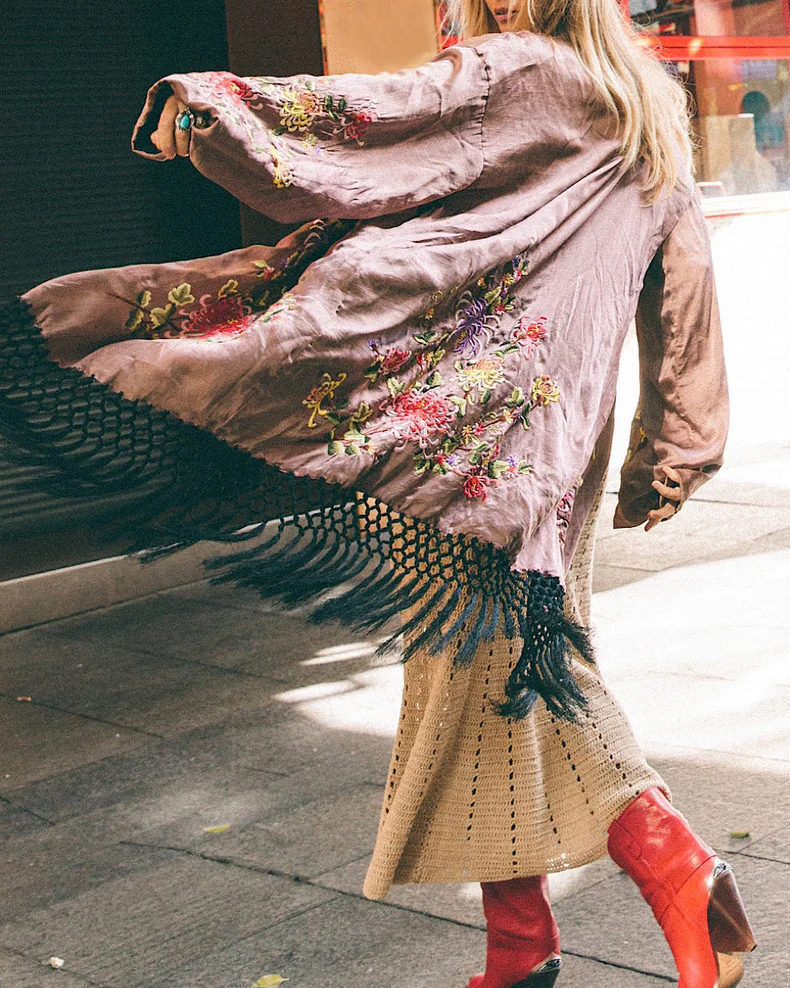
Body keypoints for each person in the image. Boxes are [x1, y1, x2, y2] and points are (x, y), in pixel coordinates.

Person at [0, 0, 756, 986]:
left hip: (450, 444)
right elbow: (687, 288)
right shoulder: (648, 112)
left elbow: (376, 114)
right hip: (555, 453)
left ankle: (674, 865)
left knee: (506, 681)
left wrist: (214, 107)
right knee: (483, 686)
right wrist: (681, 447)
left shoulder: (511, 75)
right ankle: (522, 942)